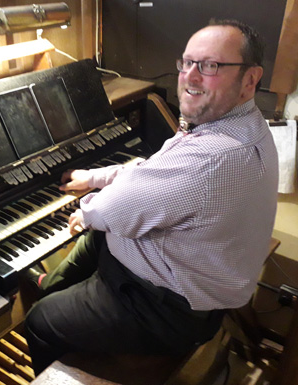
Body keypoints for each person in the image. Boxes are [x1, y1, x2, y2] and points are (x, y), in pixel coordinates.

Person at [24, 19, 279, 375]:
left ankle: (64, 342)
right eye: (187, 63)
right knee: (95, 241)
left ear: (250, 79)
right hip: (194, 283)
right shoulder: (246, 124)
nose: (190, 77)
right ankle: (50, 286)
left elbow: (114, 207)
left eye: (210, 66)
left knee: (39, 321)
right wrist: (96, 178)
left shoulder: (211, 156)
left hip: (165, 310)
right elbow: (155, 174)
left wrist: (90, 209)